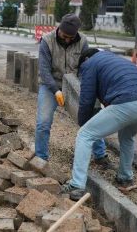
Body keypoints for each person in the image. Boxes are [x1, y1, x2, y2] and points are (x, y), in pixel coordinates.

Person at [61, 48, 137, 200]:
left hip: (128, 103)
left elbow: (87, 100)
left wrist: (82, 123)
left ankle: (76, 185)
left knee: (84, 135)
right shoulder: (116, 60)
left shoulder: (89, 64)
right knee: (126, 137)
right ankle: (125, 177)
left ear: (86, 59)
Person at [35, 14, 115, 170]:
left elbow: (86, 67)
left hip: (75, 84)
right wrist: (56, 91)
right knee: (43, 122)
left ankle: (100, 155)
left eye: (70, 38)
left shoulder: (82, 41)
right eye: (64, 36)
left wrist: (82, 93)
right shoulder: (47, 41)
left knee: (91, 118)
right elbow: (44, 71)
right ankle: (41, 158)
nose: (66, 40)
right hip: (51, 85)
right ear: (59, 29)